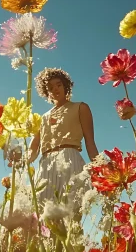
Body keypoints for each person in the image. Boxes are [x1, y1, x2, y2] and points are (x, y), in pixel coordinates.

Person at [28, 67, 99, 204]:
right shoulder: (42, 118)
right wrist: (20, 160)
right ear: (46, 92)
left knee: (71, 213)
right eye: (50, 87)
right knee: (43, 214)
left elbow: (90, 143)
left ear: (66, 85)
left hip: (70, 159)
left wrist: (100, 169)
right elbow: (33, 147)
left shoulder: (81, 107)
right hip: (45, 165)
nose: (55, 89)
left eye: (59, 85)